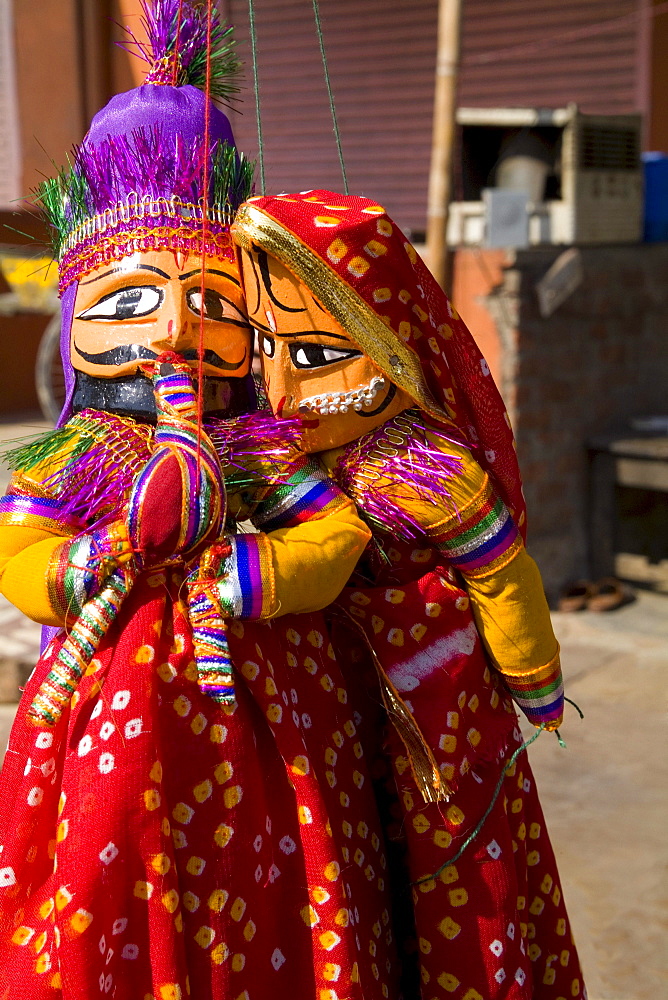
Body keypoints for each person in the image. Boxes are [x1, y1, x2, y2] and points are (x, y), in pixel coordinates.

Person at [0, 11, 398, 1000]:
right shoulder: (75, 451)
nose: (175, 325)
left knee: (271, 881)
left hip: (266, 712)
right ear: (76, 310)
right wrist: (77, 570)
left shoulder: (261, 448)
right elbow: (20, 546)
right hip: (102, 722)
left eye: (214, 304)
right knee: (101, 873)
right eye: (132, 301)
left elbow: (337, 528)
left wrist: (267, 573)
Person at [232, 190, 586, 1000]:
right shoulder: (278, 457)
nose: (280, 386)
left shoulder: (430, 469)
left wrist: (536, 685)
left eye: (318, 356)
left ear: (390, 343)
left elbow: (503, 578)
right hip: (328, 706)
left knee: (447, 873)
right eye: (262, 349)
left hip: (437, 717)